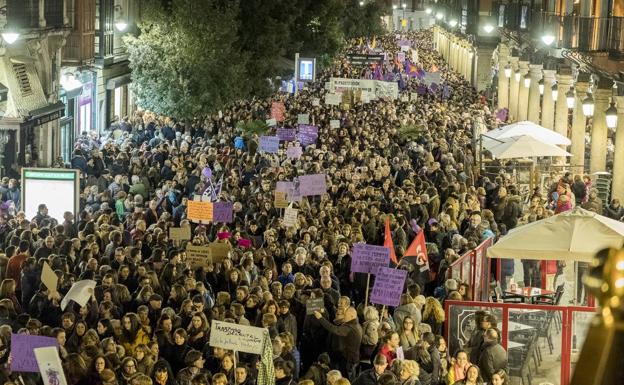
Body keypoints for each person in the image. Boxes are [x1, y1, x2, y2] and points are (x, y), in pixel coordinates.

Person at [314, 307, 363, 378]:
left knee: (345, 379)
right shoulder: (357, 325)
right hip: (353, 358)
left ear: (352, 316)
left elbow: (334, 329)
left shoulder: (349, 328)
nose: (344, 316)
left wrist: (320, 318)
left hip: (348, 360)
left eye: (346, 315)